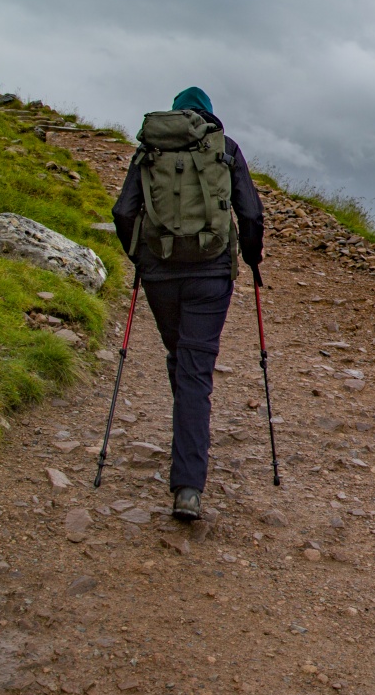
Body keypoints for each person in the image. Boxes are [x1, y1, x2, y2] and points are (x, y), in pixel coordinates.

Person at [111, 87, 265, 521]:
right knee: (194, 369)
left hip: (159, 272)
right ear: (209, 116)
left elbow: (124, 212)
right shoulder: (226, 148)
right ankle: (188, 487)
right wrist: (251, 258)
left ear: (176, 114)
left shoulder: (149, 149)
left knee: (180, 357)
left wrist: (140, 256)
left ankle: (186, 446)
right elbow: (250, 214)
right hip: (210, 274)